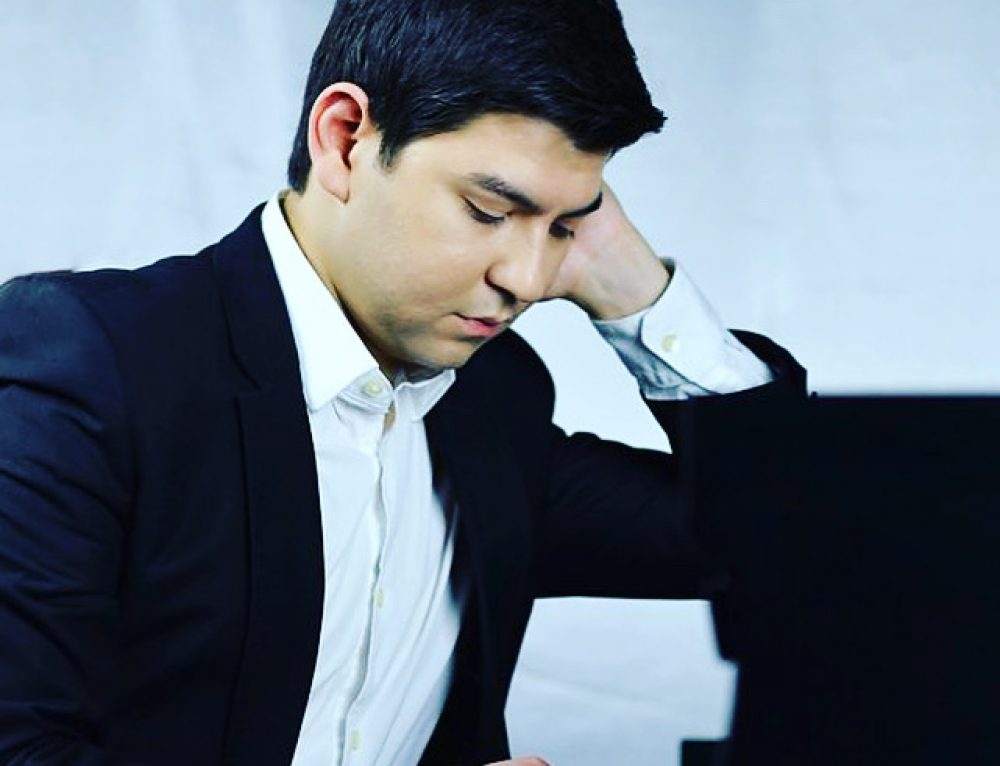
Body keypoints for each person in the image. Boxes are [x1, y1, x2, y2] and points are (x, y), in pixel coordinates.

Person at [0, 1, 804, 764]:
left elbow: (781, 542)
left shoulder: (497, 402)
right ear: (344, 139)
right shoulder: (93, 364)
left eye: (564, 225)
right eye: (489, 211)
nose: (528, 280)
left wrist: (634, 287)